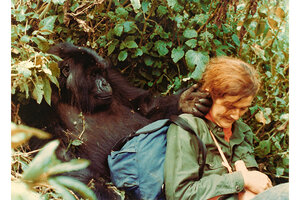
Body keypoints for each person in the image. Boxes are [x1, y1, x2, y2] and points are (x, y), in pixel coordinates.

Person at [164, 57, 289, 200]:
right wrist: (242, 180)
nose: (236, 115)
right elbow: (178, 194)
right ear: (210, 92)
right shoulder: (188, 129)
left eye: (243, 109)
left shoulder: (242, 131)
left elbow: (254, 182)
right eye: (230, 106)